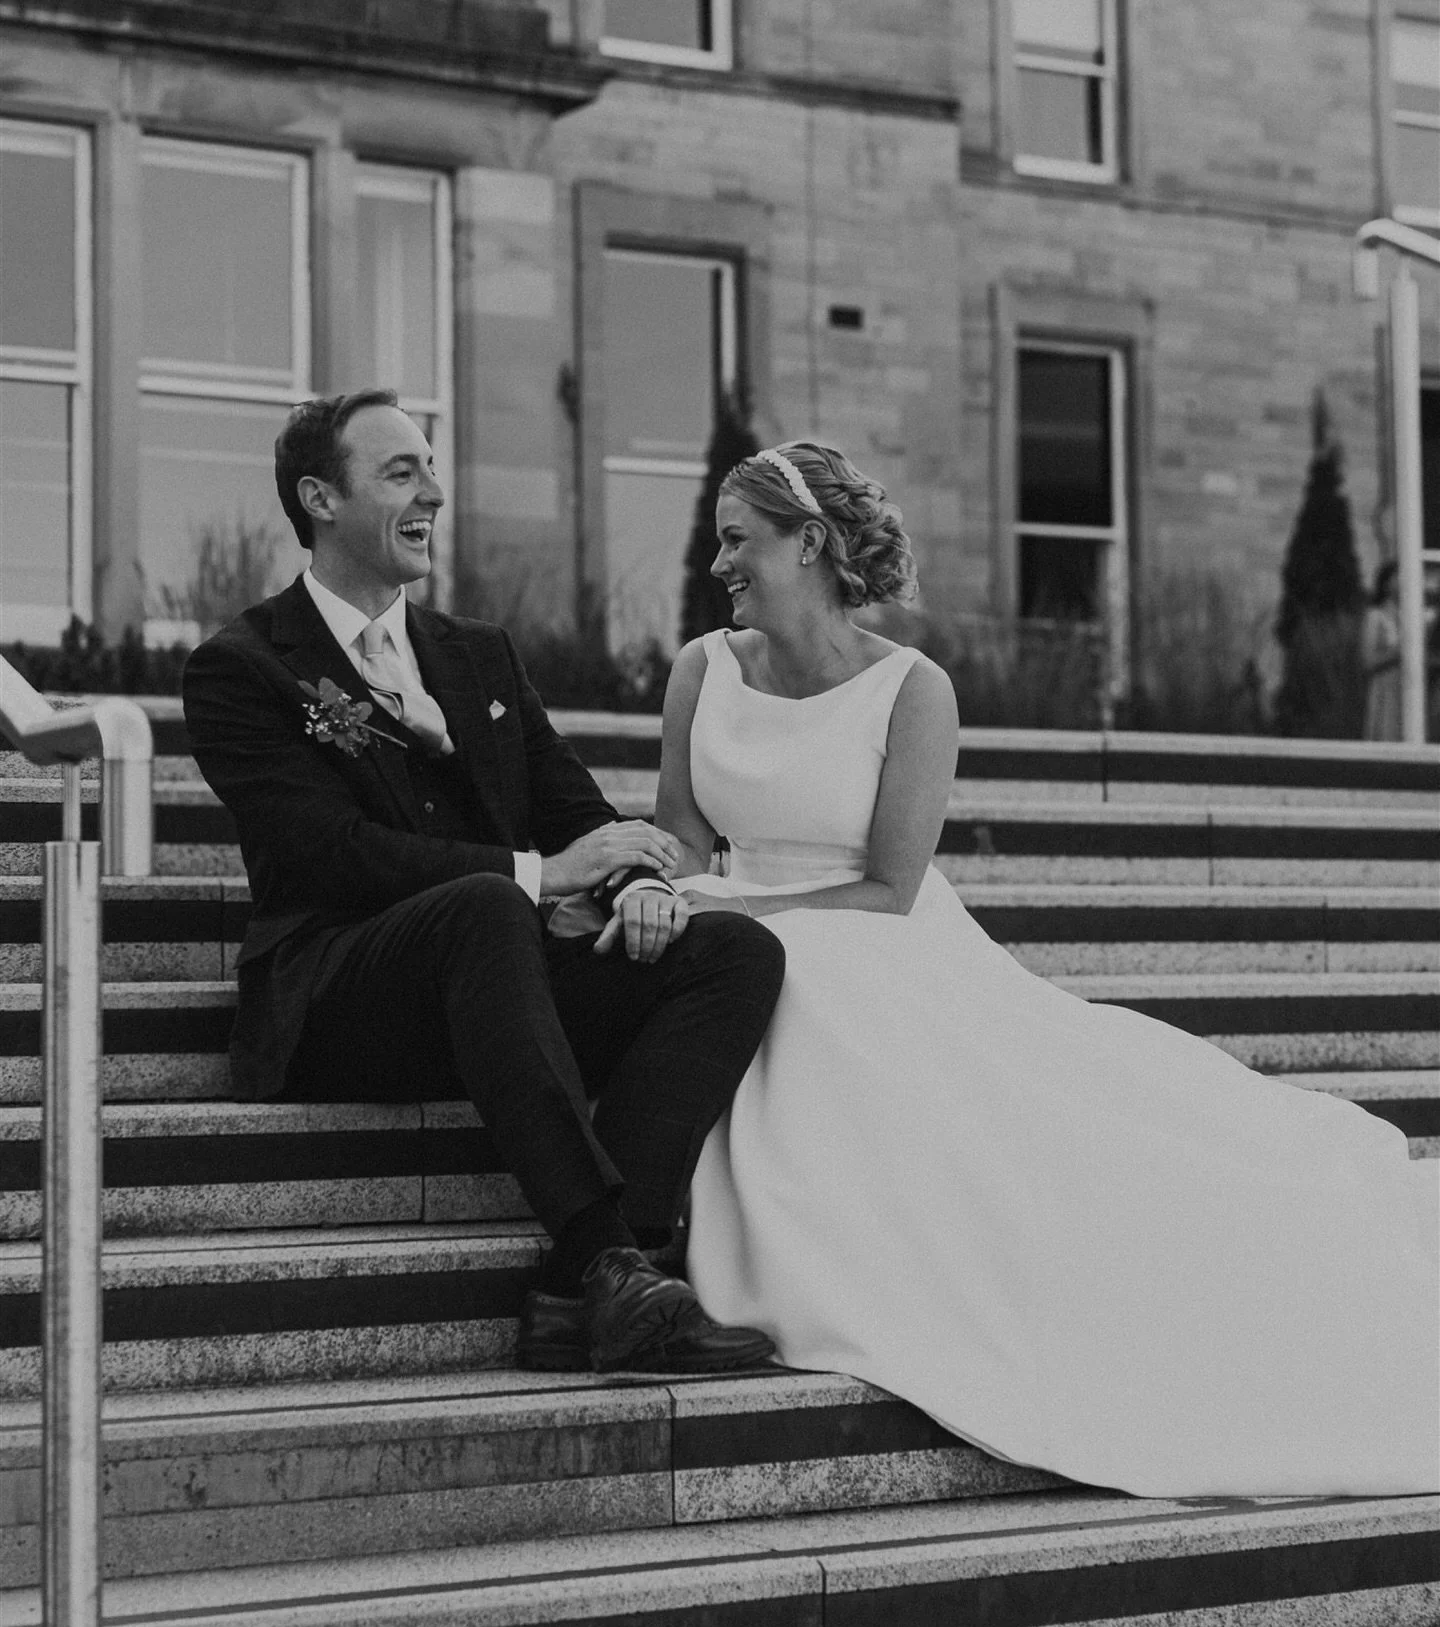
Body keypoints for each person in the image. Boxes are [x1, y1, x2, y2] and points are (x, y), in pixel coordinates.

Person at [654, 440, 1439, 1498]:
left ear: (811, 545)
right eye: (717, 543)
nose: (719, 564)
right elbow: (680, 849)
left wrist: (729, 909)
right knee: (743, 974)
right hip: (733, 927)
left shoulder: (913, 690)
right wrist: (665, 891)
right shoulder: (701, 671)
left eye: (738, 540)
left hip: (879, 941)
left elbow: (889, 890)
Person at [182, 389, 786, 1376]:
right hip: (345, 1000)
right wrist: (541, 875)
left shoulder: (479, 657)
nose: (435, 492)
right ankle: (612, 1265)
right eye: (401, 472)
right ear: (318, 499)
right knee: (486, 902)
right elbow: (328, 853)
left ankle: (581, 1290)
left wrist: (635, 879)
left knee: (730, 951)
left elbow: (580, 812)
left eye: (431, 466)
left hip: (501, 996)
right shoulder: (244, 668)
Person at [1361, 560, 1402, 741]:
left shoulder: (1410, 617)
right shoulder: (1375, 617)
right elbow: (1367, 661)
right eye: (1398, 575)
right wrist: (1398, 653)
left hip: (1407, 697)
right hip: (1385, 697)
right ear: (1386, 583)